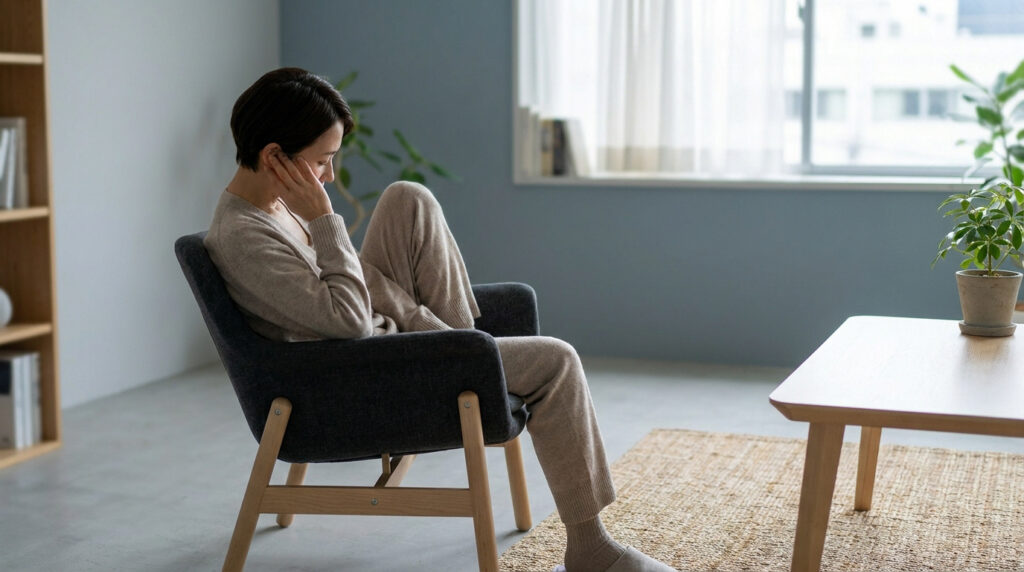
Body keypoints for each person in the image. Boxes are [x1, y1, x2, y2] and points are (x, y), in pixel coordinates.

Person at [205, 67, 675, 572]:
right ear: (276, 156)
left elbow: (354, 282)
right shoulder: (244, 236)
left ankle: (459, 349)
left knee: (409, 196)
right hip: (359, 373)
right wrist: (324, 220)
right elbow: (347, 320)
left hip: (387, 342)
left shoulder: (277, 207)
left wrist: (412, 316)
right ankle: (592, 549)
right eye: (322, 161)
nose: (330, 178)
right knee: (556, 361)